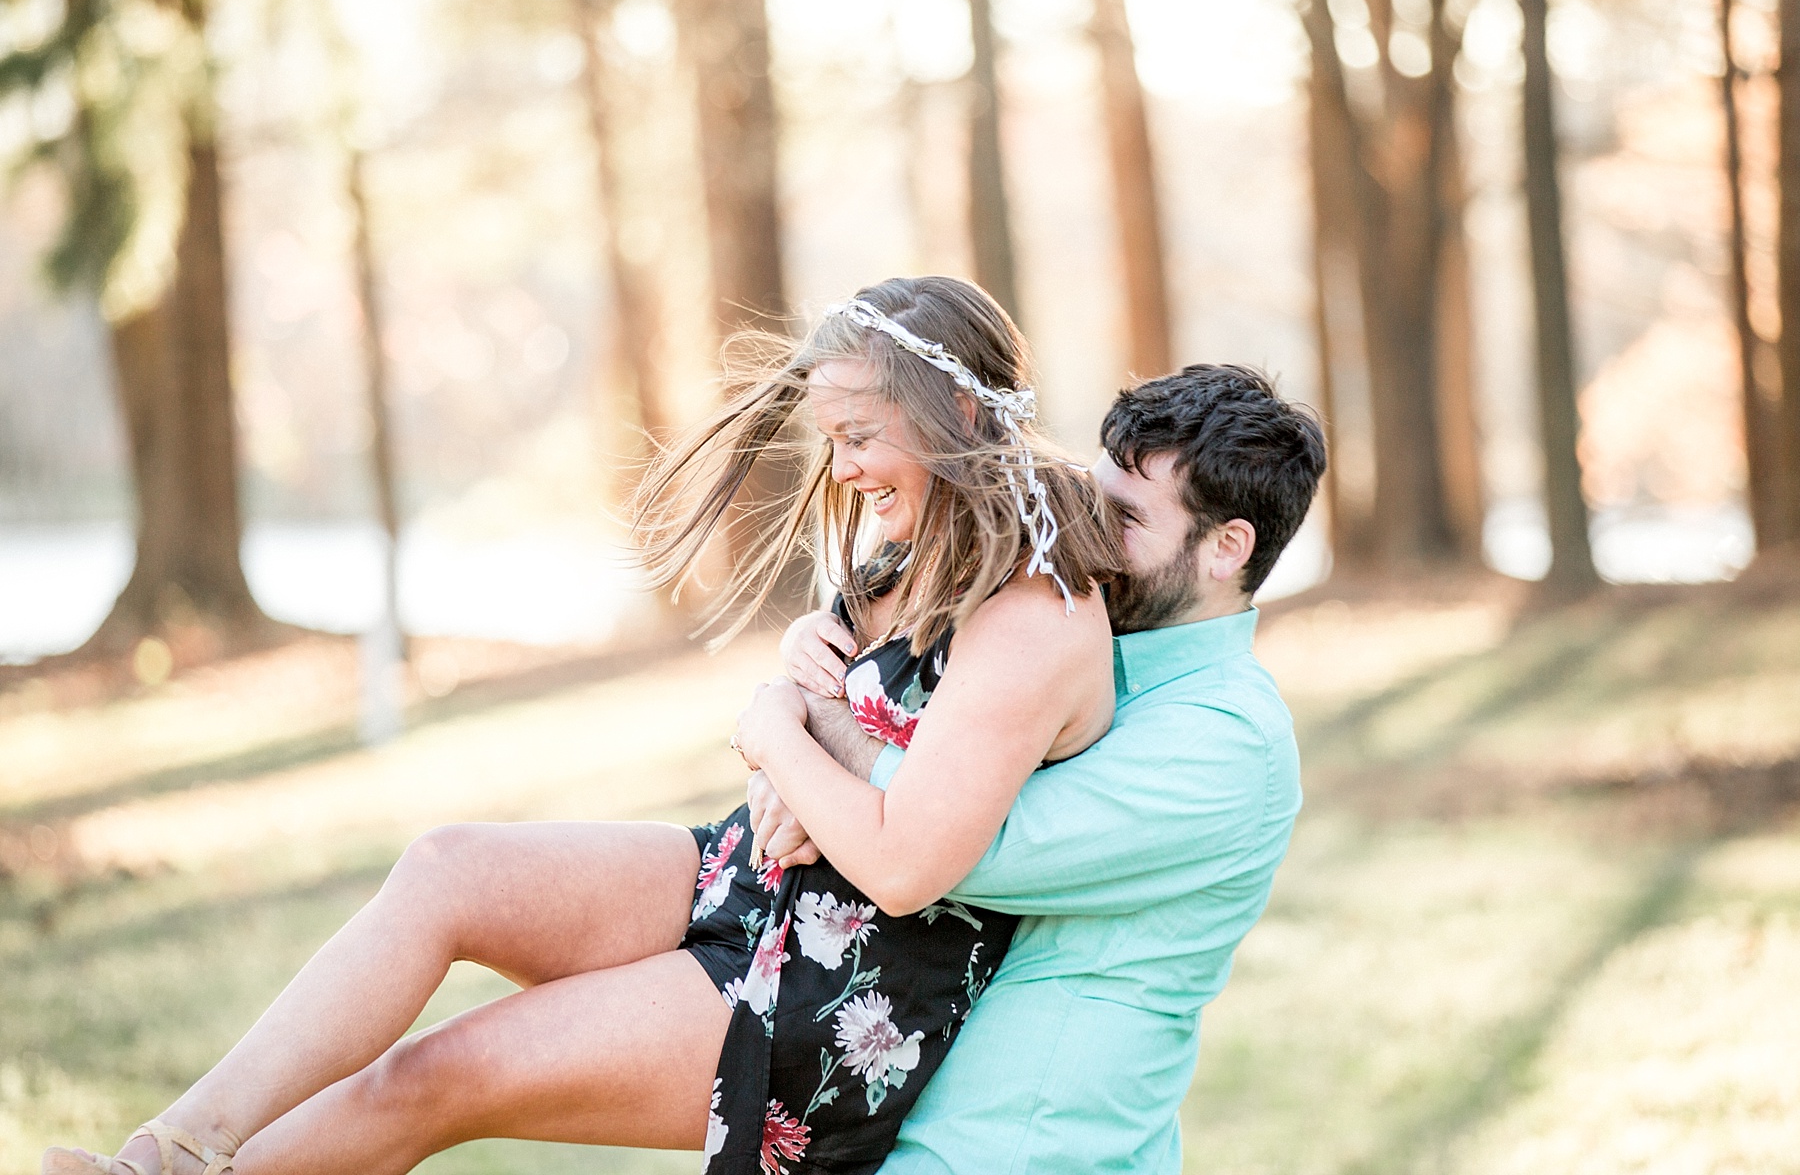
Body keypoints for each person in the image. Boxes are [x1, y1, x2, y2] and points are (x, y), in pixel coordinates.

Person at [41, 274, 1121, 1175]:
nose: (839, 469)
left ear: (963, 413)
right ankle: (168, 1153)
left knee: (438, 1076)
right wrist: (803, 700)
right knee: (448, 868)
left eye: (858, 437)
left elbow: (900, 867)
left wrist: (772, 728)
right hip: (746, 882)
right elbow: (859, 723)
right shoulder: (920, 551)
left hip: (839, 989)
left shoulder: (1036, 619)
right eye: (828, 440)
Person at [739, 363, 1327, 1173]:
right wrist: (811, 665)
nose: (1081, 532)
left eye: (1121, 518)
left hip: (1023, 1147)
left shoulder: (1228, 740)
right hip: (905, 1127)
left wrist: (792, 729)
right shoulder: (1069, 645)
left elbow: (949, 842)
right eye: (1089, 497)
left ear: (1226, 549)